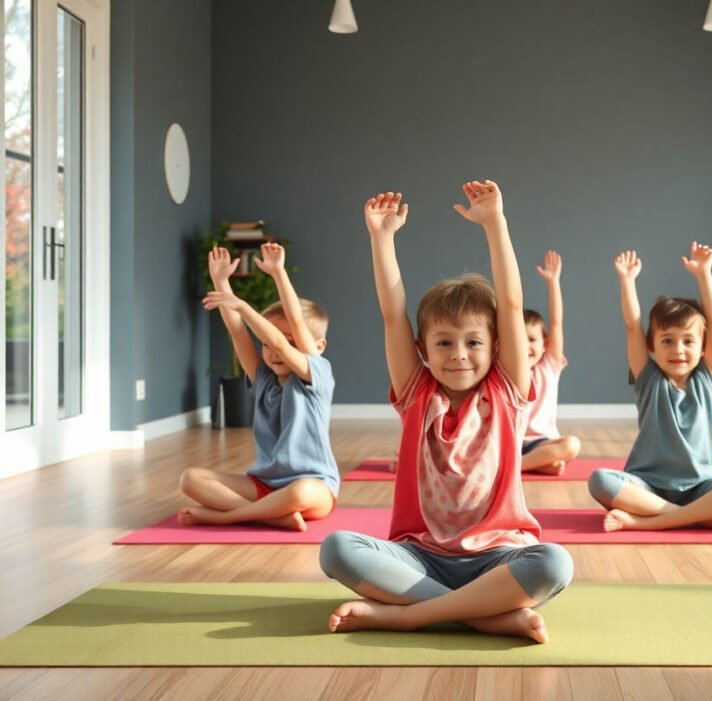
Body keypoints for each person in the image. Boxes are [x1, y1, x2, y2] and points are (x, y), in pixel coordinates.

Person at [319, 182, 573, 643]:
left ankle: (409, 614)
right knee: (338, 548)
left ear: (494, 347)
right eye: (443, 343)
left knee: (554, 562)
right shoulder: (417, 393)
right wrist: (382, 238)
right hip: (420, 558)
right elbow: (393, 314)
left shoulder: (506, 390)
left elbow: (512, 306)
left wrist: (495, 223)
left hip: (498, 556)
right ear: (423, 350)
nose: (458, 355)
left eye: (473, 342)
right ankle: (484, 616)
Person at [587, 244, 712, 533]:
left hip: (699, 485)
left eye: (688, 341)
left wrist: (704, 275)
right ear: (652, 345)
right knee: (600, 480)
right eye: (667, 340)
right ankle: (700, 517)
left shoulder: (710, 378)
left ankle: (646, 523)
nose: (678, 350)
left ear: (703, 346)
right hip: (646, 487)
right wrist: (627, 281)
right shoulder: (649, 379)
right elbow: (633, 326)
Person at [178, 242, 338, 531]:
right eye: (265, 344)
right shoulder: (264, 379)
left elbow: (285, 334)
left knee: (299, 492)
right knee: (190, 478)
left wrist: (277, 275)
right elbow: (238, 332)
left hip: (314, 487)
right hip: (264, 485)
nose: (275, 350)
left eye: (290, 342)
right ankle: (269, 516)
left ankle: (228, 516)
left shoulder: (316, 374)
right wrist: (221, 281)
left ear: (318, 347)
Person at [521, 250, 582, 475]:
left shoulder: (548, 366)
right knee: (556, 467)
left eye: (531, 339)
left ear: (545, 343)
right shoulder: (505, 370)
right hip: (509, 442)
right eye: (518, 339)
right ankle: (534, 463)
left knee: (572, 445)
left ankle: (517, 466)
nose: (525, 346)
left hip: (542, 442)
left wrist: (553, 282)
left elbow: (556, 323)